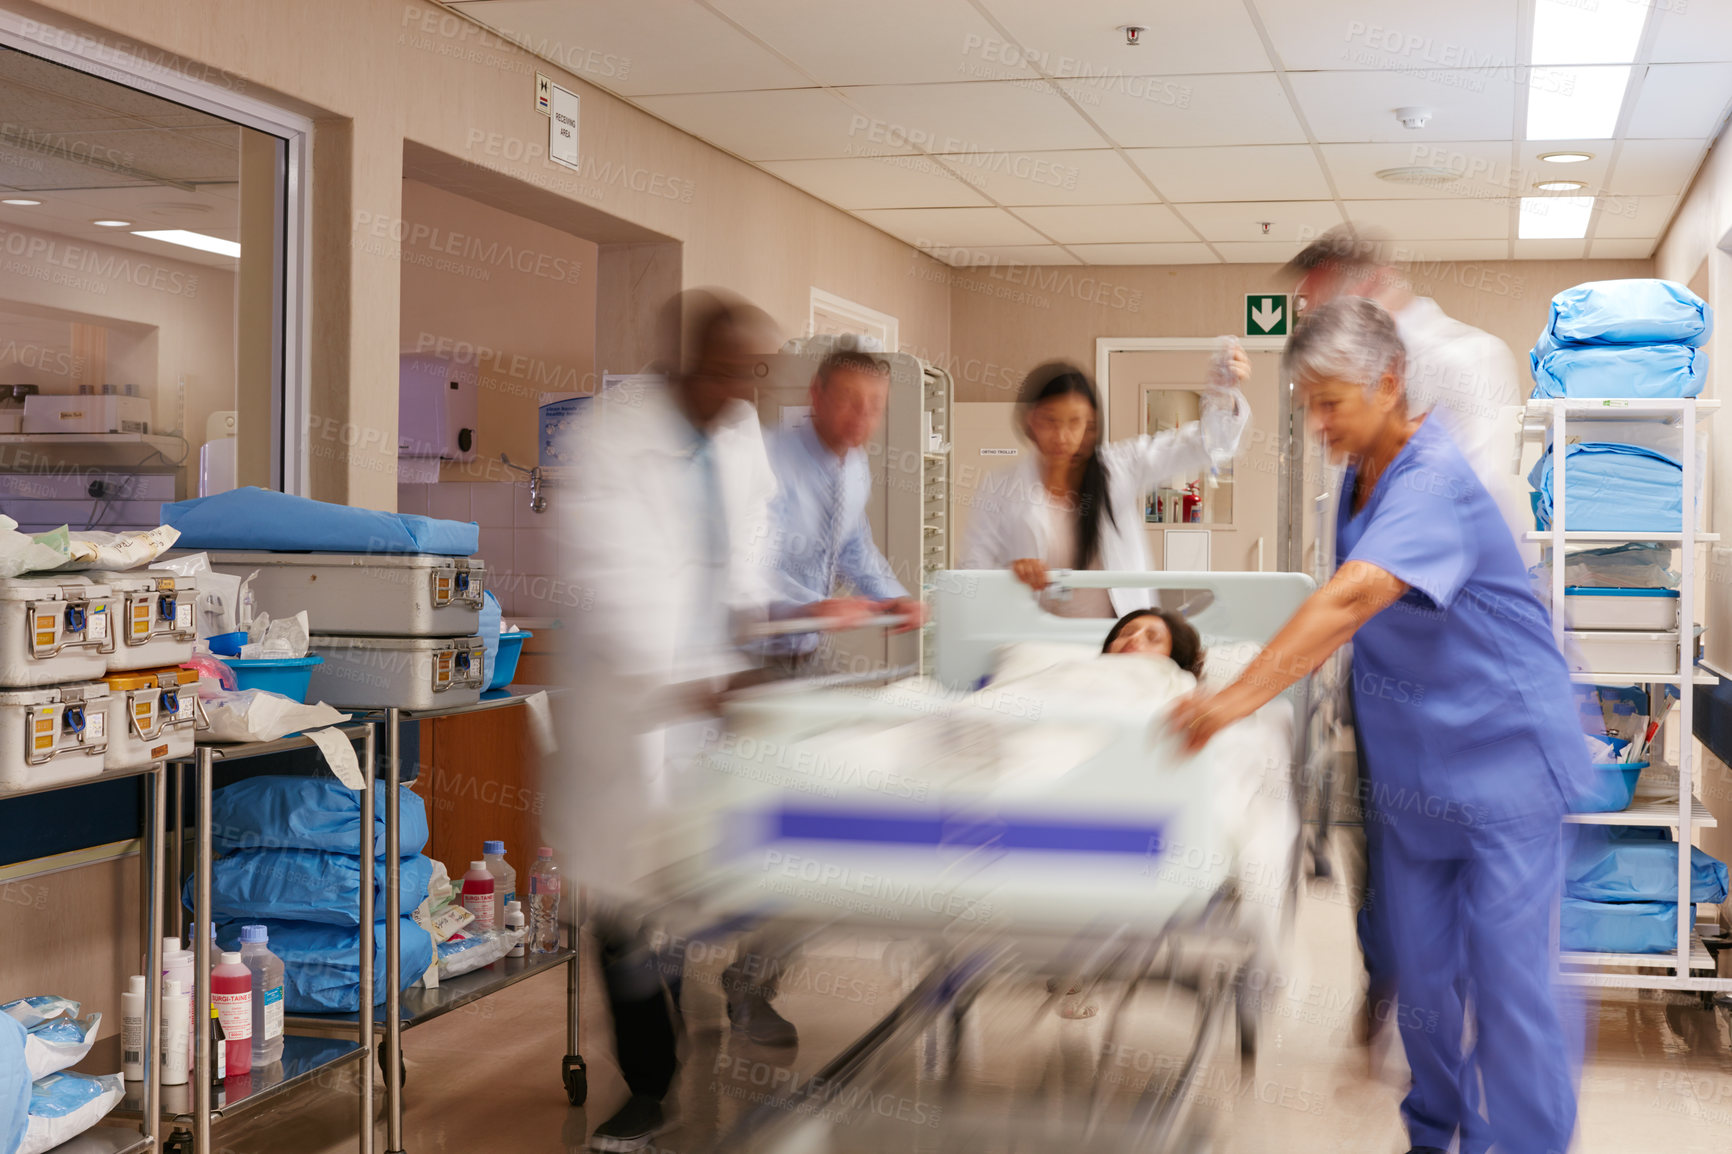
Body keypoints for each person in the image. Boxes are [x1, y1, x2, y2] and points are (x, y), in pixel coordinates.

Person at [1171, 298, 1585, 1154]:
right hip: (1420, 784)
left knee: (1508, 994)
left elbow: (1355, 597)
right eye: (1306, 404)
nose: (1316, 422)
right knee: (1425, 995)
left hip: (1505, 770)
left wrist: (1228, 700)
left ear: (1390, 383)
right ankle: (1433, 1137)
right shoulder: (1360, 479)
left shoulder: (1433, 479)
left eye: (1331, 402)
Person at [550, 289, 784, 1152]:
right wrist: (689, 681)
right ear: (688, 359)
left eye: (751, 373)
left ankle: (694, 1028)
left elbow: (753, 534)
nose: (741, 388)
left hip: (709, 708)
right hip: (633, 705)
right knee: (621, 905)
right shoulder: (610, 438)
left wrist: (753, 636)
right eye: (728, 369)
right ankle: (650, 1086)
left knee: (691, 879)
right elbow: (607, 575)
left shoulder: (738, 434)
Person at [961, 356, 1250, 618]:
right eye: (1050, 421)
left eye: (1075, 423)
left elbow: (1202, 444)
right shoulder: (999, 487)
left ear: (1091, 425)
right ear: (1030, 421)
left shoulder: (1119, 467)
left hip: (1119, 636)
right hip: (1041, 640)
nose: (1062, 436)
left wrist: (1223, 398)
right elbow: (973, 568)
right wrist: (1011, 574)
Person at [759, 347, 926, 671]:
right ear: (816, 395)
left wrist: (891, 597)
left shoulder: (854, 464)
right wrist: (813, 608)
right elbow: (753, 563)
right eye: (849, 399)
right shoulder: (769, 458)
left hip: (809, 647)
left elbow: (854, 545)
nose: (863, 415)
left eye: (876, 406)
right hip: (755, 650)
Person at [1100, 607, 1204, 678]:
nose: (1134, 637)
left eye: (1153, 638)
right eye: (1126, 633)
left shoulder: (1180, 693)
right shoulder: (1087, 672)